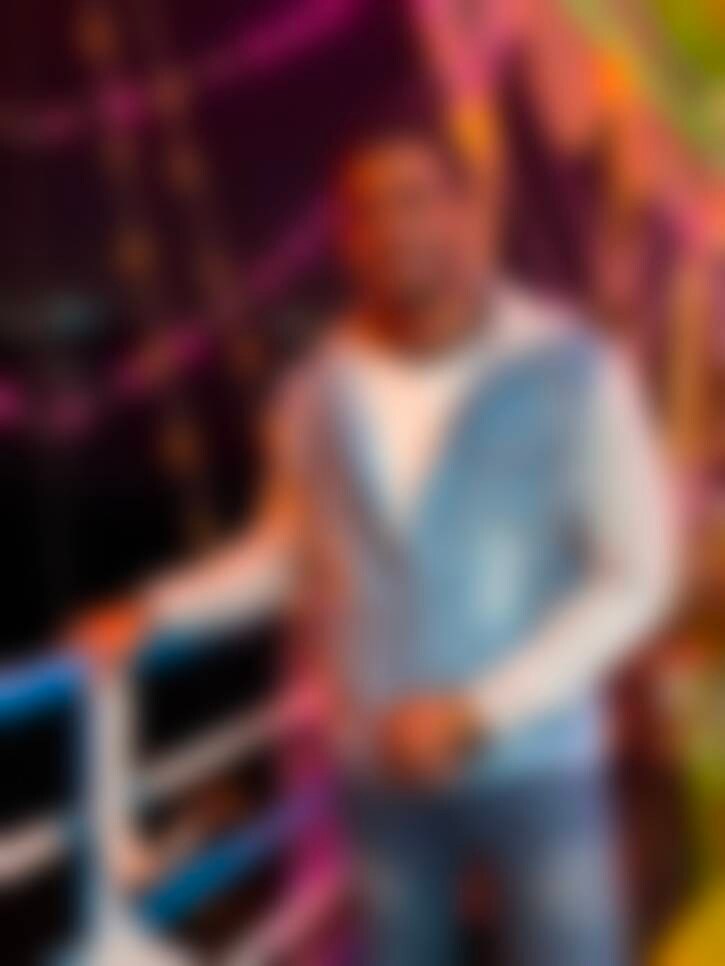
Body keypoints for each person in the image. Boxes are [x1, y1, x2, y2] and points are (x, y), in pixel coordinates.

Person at [73, 119, 676, 965]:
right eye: (364, 211)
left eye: (414, 199)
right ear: (344, 238)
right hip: (379, 776)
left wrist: (481, 711)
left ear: (464, 212)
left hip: (537, 763)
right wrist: (154, 610)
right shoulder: (311, 395)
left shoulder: (574, 369)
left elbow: (639, 574)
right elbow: (287, 555)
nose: (392, 226)